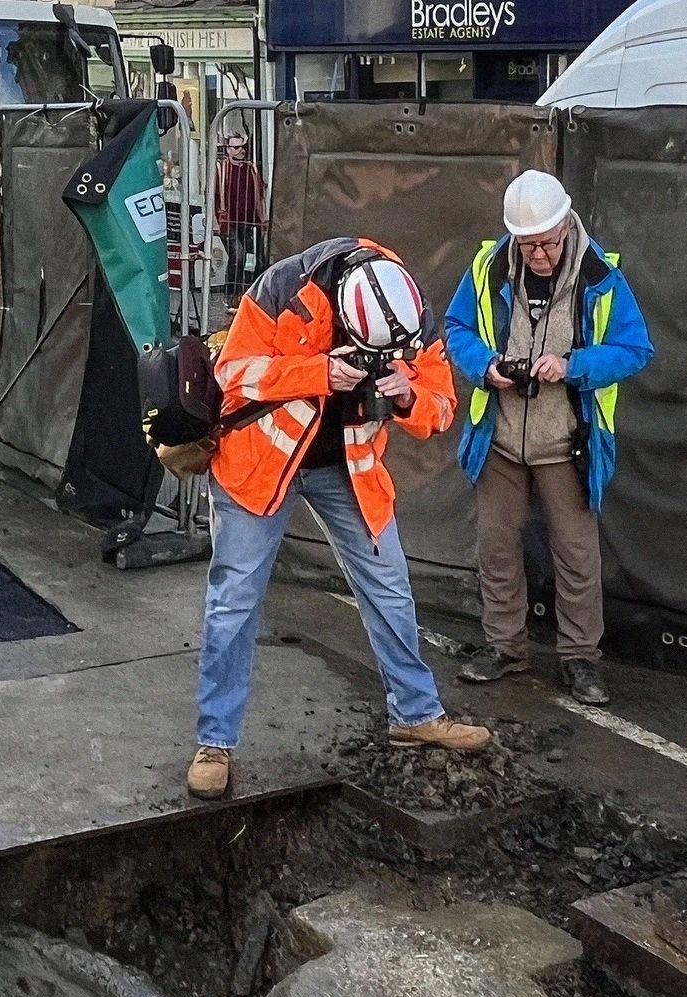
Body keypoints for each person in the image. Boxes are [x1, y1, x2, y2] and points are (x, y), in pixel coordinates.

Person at [190, 238, 493, 801]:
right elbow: (233, 374)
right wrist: (317, 372)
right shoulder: (285, 287)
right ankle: (215, 741)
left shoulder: (407, 306)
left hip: (347, 470)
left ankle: (416, 714)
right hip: (258, 464)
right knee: (234, 598)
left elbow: (441, 404)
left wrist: (407, 396)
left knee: (390, 586)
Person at [444, 171, 653, 705]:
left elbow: (635, 349)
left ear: (566, 225)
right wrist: (485, 367)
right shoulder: (488, 267)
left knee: (577, 556)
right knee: (495, 547)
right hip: (500, 440)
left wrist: (575, 365)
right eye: (529, 245)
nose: (539, 256)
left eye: (548, 243)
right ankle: (505, 648)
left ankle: (581, 660)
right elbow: (457, 328)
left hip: (567, 443)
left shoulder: (601, 277)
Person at [213, 132, 266, 296]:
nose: (240, 151)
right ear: (228, 150)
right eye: (236, 147)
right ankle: (231, 295)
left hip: (250, 222)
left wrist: (263, 218)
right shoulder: (221, 169)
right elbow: (212, 196)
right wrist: (214, 222)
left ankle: (245, 294)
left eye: (242, 147)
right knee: (238, 257)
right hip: (228, 222)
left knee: (255, 259)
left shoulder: (252, 169)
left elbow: (260, 195)